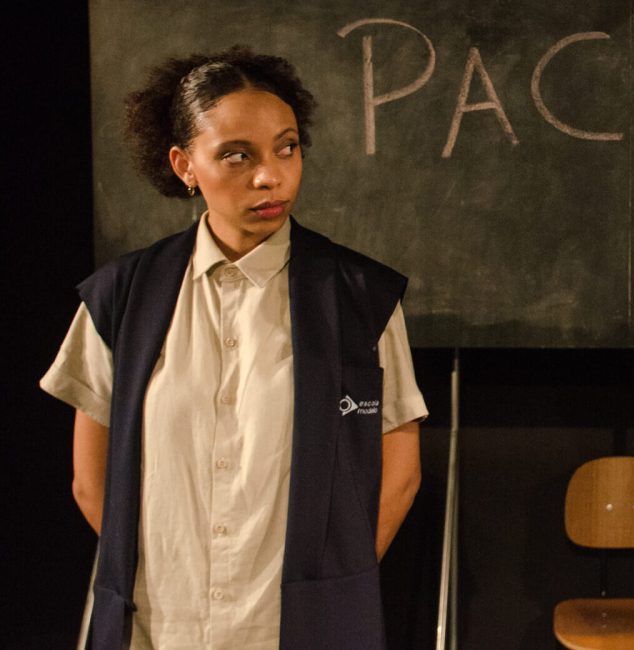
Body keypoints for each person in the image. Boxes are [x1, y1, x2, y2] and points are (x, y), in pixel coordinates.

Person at [40, 47, 427, 649]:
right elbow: (91, 483)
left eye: (287, 148)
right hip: (157, 629)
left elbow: (399, 475)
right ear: (185, 165)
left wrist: (331, 584)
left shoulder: (360, 299)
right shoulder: (121, 297)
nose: (270, 176)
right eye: (237, 155)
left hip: (298, 628)